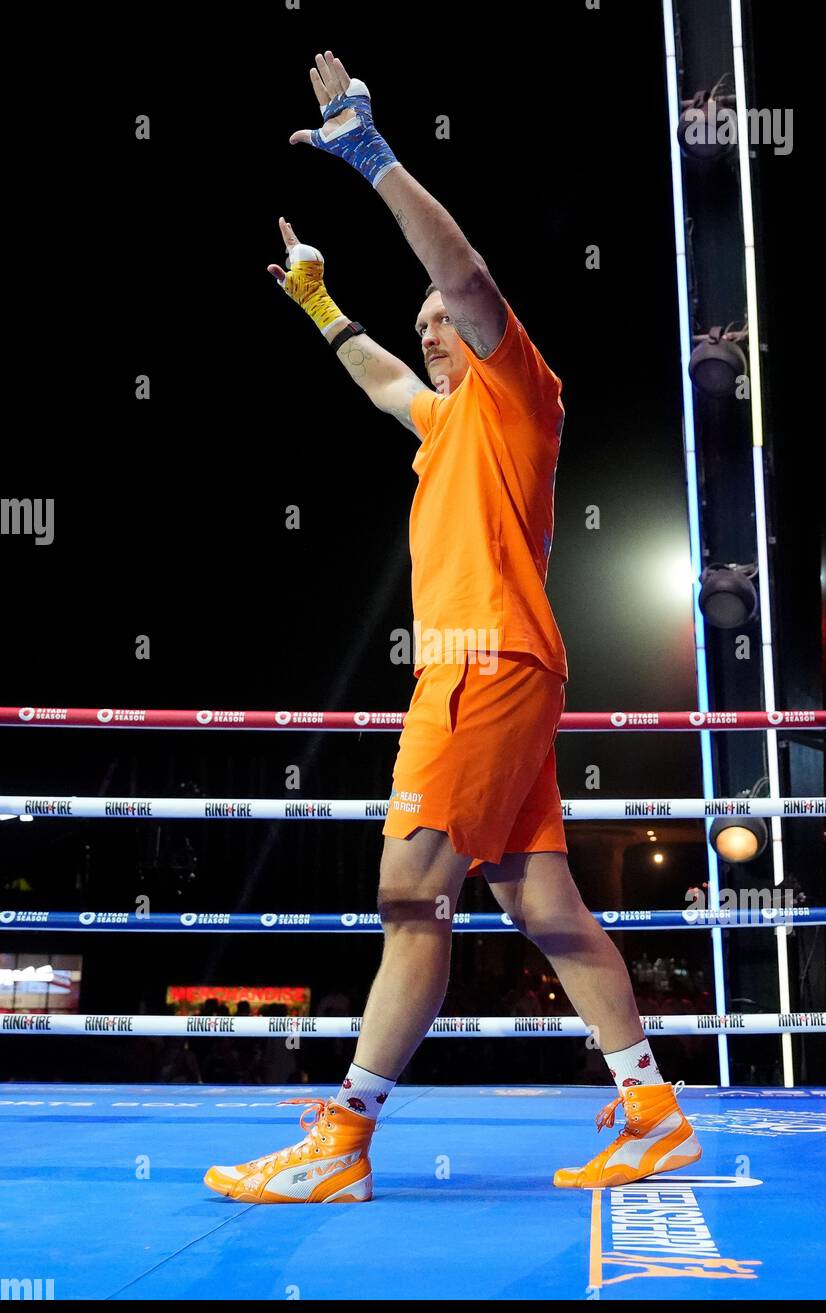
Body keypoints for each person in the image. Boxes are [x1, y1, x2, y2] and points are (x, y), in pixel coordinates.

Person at [205, 50, 701, 1205]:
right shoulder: (445, 432)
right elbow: (381, 382)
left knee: (409, 895)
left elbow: (463, 267)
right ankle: (653, 1109)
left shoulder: (520, 390)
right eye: (420, 320)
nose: (429, 326)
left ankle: (342, 1140)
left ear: (477, 330)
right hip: (501, 677)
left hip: (482, 674)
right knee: (541, 905)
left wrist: (368, 155)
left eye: (440, 317)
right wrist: (325, 305)